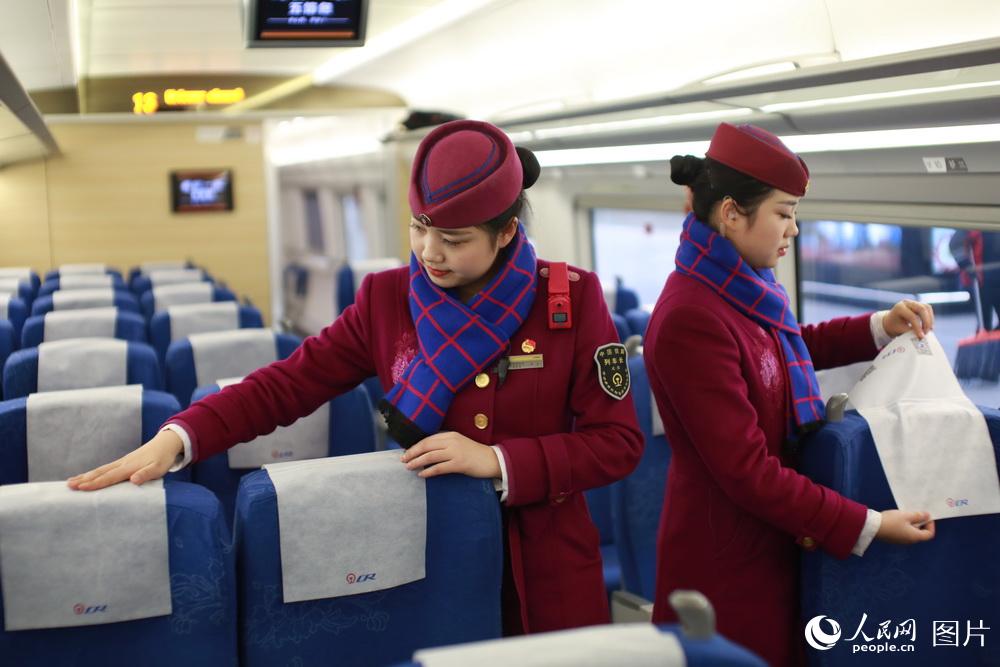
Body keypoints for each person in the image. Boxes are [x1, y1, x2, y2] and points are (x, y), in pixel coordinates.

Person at [68, 120, 643, 635]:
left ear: (507, 231)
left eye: (454, 239)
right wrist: (180, 436)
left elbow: (617, 443)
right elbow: (288, 384)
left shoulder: (569, 300)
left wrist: (497, 460)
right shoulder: (387, 300)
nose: (429, 252)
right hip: (425, 553)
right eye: (419, 228)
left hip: (544, 569)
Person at [644, 123, 936, 666]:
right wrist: (868, 524)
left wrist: (879, 327)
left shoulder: (738, 284)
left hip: (771, 539)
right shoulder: (691, 316)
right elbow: (747, 471)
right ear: (731, 213)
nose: (794, 230)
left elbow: (784, 347)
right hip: (724, 563)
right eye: (784, 213)